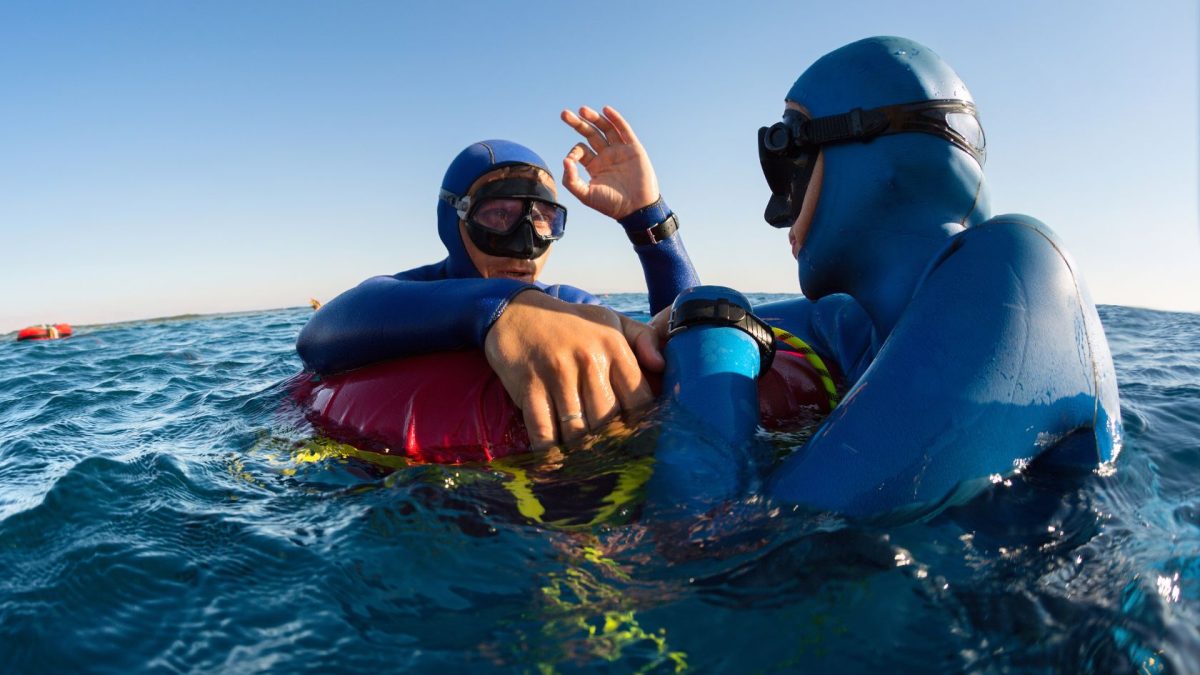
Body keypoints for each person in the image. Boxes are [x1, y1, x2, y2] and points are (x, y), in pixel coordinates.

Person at [487, 37, 1123, 519]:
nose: (779, 207)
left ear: (872, 151)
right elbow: (686, 328)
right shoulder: (855, 326)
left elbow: (723, 551)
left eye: (786, 162)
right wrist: (648, 221)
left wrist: (713, 325)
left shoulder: (1016, 269)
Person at [296, 107, 698, 448]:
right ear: (453, 222)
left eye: (543, 219)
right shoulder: (411, 293)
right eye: (499, 216)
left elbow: (688, 344)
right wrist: (503, 307)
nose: (526, 244)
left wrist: (645, 216)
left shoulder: (568, 304)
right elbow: (316, 337)